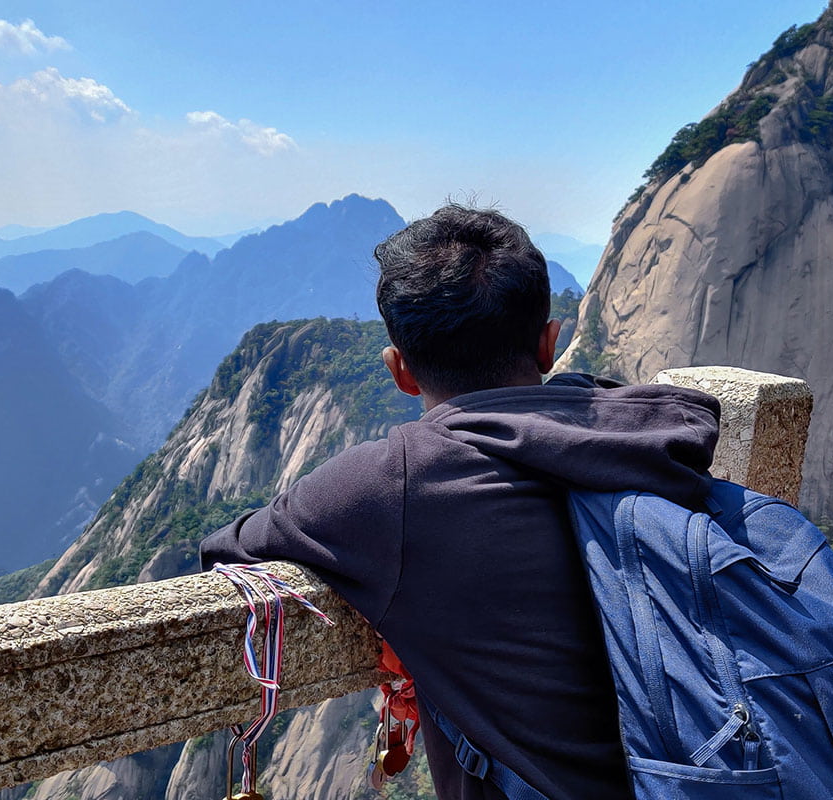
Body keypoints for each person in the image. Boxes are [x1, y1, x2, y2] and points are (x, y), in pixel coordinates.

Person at [200, 204, 721, 800]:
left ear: (400, 371)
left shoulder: (387, 487)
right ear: (550, 344)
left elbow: (225, 549)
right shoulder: (655, 430)